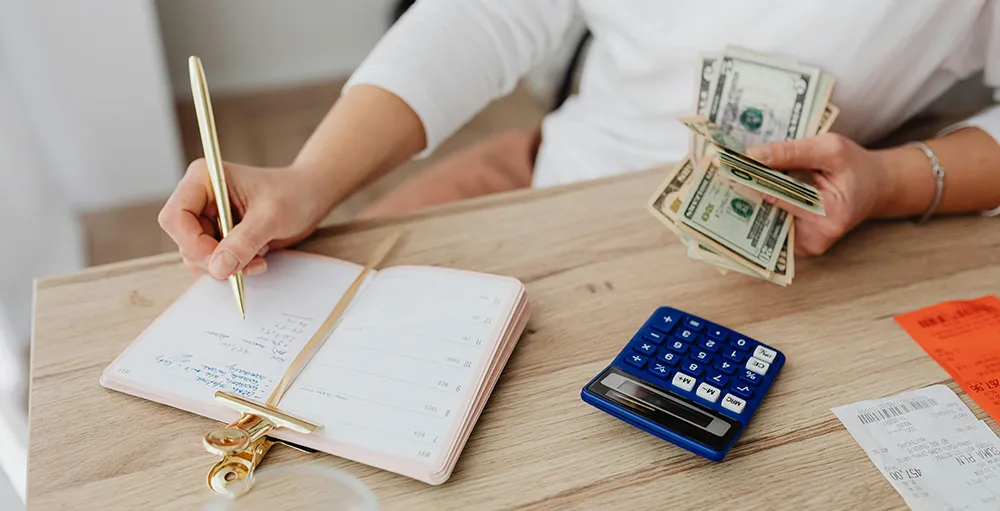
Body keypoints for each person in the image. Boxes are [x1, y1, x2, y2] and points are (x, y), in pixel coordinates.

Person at [159, 0, 1000, 280]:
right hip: (548, 179)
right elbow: (489, 14)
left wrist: (893, 180)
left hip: (782, 257)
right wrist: (310, 176)